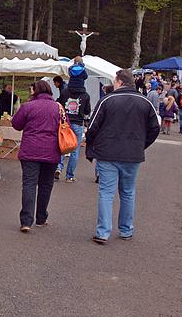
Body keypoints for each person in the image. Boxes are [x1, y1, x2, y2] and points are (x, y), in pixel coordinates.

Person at [86, 69, 160, 244]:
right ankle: (126, 230)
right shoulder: (145, 102)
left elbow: (93, 126)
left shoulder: (107, 100)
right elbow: (154, 128)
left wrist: (92, 144)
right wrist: (142, 144)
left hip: (108, 153)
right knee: (127, 192)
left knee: (106, 192)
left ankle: (103, 232)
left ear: (118, 82)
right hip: (132, 153)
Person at [11, 81, 61, 231]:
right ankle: (41, 218)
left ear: (35, 90)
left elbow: (16, 124)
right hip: (52, 151)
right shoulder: (58, 107)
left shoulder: (28, 106)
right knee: (46, 185)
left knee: (29, 184)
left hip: (30, 151)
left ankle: (26, 221)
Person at [56, 76, 91, 182]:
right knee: (74, 151)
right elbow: (87, 111)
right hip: (78, 124)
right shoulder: (85, 95)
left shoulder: (65, 92)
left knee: (61, 146)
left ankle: (58, 168)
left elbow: (59, 106)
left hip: (65, 123)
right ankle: (69, 176)